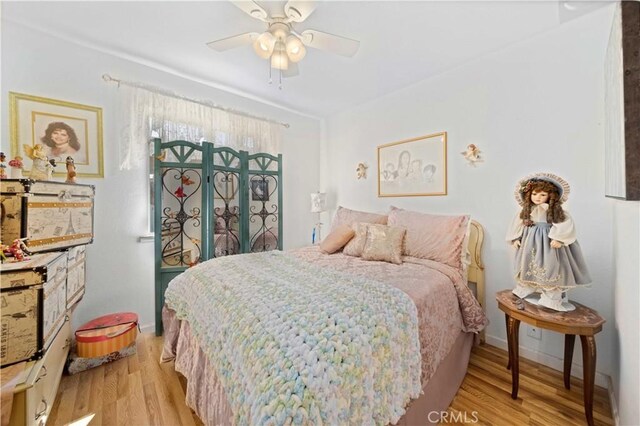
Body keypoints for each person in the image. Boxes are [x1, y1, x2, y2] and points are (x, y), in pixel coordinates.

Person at [506, 173, 591, 311]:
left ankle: (551, 297)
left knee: (551, 266)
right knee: (527, 263)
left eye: (542, 195)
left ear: (550, 196)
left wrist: (558, 238)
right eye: (534, 194)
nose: (537, 198)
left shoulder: (554, 211)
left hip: (548, 242)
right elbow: (518, 223)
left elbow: (564, 223)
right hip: (530, 242)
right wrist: (515, 238)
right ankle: (525, 287)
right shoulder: (528, 210)